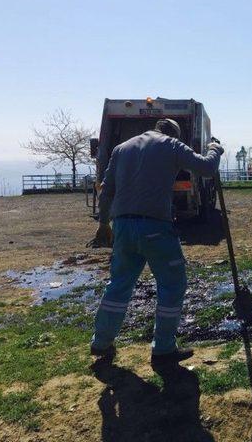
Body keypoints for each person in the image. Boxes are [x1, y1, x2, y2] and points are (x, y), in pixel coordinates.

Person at [90, 118, 223, 364]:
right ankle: (163, 348)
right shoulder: (172, 145)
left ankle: (101, 342)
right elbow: (206, 168)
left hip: (122, 226)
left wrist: (103, 224)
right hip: (155, 227)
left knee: (118, 284)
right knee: (172, 284)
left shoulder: (122, 148)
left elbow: (106, 189)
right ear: (175, 134)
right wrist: (215, 148)